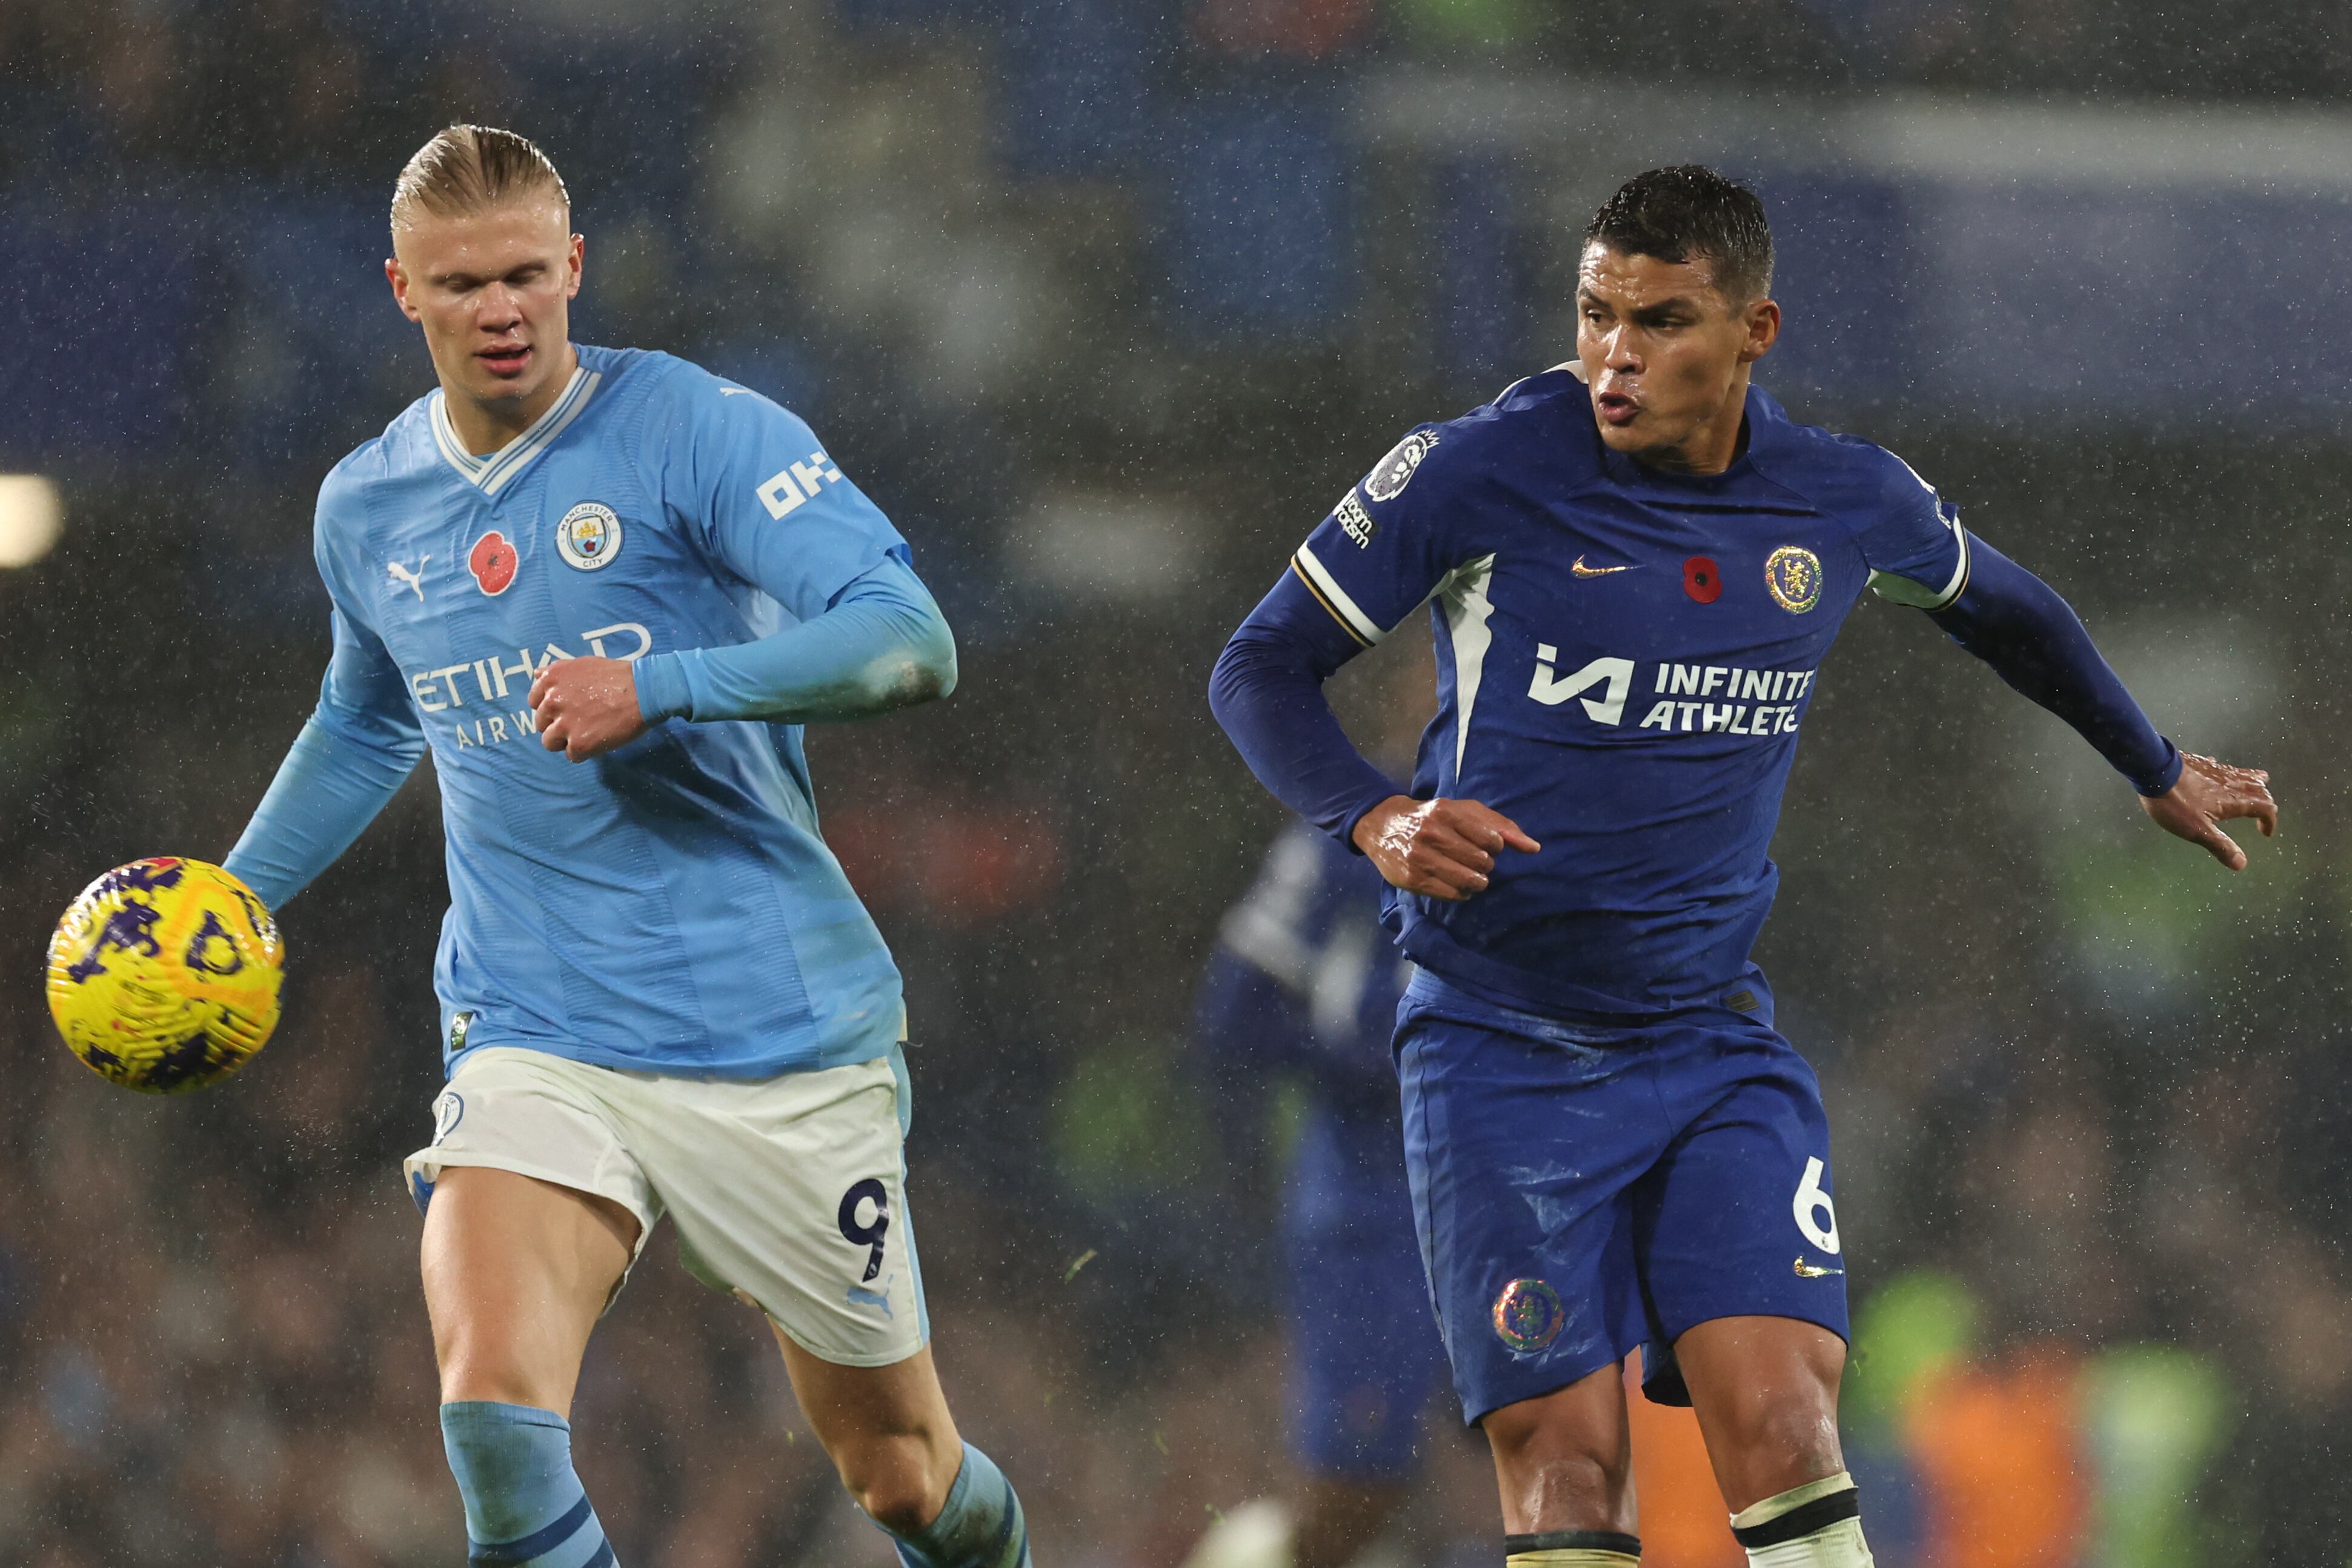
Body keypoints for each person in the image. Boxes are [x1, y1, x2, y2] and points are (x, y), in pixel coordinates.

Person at [1206, 165, 2277, 1568]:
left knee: (1782, 1425)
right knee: (1569, 1467)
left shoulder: (1839, 500)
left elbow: (2007, 608)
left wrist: (2150, 761)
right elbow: (1259, 664)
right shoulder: (1479, 468)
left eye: (1660, 321)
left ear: (1754, 332)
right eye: (1595, 314)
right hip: (1498, 1050)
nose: (1614, 357)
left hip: (1706, 1044)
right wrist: (1375, 817)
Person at [220, 125, 1031, 1568]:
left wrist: (661, 684)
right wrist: (235, 902)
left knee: (901, 1474)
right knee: (493, 1425)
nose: (502, 309)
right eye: (461, 283)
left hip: (775, 1033)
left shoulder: (697, 431)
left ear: (576, 267)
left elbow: (912, 642)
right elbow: (365, 722)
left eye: (529, 273)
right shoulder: (368, 505)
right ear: (400, 288)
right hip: (538, 1030)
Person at [1181, 650, 1453, 1568]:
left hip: (1510, 1194)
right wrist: (1378, 1062)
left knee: (1551, 1449)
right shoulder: (1352, 828)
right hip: (1372, 1202)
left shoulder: (1542, 831)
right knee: (1356, 1487)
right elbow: (1236, 1011)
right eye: (1441, 675)